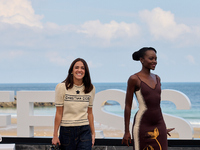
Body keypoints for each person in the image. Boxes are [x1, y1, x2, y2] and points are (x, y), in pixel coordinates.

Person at [122, 47, 174, 150]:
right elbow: (128, 106)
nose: (154, 61)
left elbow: (156, 105)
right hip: (142, 125)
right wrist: (127, 131)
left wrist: (163, 128)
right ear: (141, 60)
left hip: (159, 125)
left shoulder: (157, 78)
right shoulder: (134, 79)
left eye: (155, 59)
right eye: (151, 58)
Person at [52, 58, 95, 150]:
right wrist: (55, 135)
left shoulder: (90, 88)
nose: (79, 70)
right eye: (76, 67)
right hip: (66, 131)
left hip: (85, 131)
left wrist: (93, 133)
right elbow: (59, 113)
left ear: (85, 71)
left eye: (82, 68)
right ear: (72, 71)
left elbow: (90, 113)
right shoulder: (61, 87)